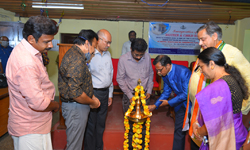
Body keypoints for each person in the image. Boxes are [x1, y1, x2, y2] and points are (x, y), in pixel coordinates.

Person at [182, 21, 250, 150]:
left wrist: (238, 111)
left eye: (203, 39)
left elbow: (215, 123)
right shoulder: (208, 54)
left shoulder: (232, 54)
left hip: (222, 128)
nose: (200, 43)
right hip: (206, 115)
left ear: (214, 36)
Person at [5, 15, 60, 150]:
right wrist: (54, 105)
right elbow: (38, 102)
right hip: (31, 129)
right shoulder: (26, 63)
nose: (51, 45)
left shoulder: (29, 50)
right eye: (46, 41)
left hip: (31, 123)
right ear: (31, 39)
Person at [192, 47, 248, 150]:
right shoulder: (230, 78)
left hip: (227, 138)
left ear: (212, 64)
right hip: (236, 132)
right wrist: (197, 122)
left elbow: (215, 122)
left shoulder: (220, 86)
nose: (201, 71)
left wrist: (198, 132)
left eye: (201, 67)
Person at [58, 29, 100, 150]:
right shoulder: (77, 59)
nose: (94, 50)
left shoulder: (75, 54)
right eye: (94, 47)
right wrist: (92, 102)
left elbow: (79, 84)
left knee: (74, 142)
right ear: (87, 43)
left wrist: (91, 96)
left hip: (77, 105)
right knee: (74, 146)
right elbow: (75, 93)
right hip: (75, 107)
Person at [148, 55, 191, 150]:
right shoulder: (164, 74)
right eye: (157, 70)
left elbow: (185, 94)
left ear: (167, 65)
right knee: (179, 131)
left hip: (192, 104)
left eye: (160, 70)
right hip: (179, 104)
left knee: (193, 132)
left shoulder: (183, 72)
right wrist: (155, 105)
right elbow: (166, 91)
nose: (159, 73)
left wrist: (169, 103)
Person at [117, 38, 154, 150]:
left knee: (144, 125)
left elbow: (151, 74)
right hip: (130, 96)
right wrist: (130, 96)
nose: (138, 57)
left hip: (144, 96)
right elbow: (120, 79)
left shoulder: (147, 57)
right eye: (136, 54)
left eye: (141, 55)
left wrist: (149, 90)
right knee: (130, 125)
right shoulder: (123, 59)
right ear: (131, 49)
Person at [84, 29, 113, 150]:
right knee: (91, 125)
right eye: (107, 42)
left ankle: (98, 147)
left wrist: (110, 94)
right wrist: (90, 96)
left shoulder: (108, 54)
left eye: (110, 42)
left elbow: (110, 74)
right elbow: (85, 77)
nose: (108, 45)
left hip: (105, 93)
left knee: (101, 124)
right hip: (93, 93)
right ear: (98, 40)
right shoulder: (89, 54)